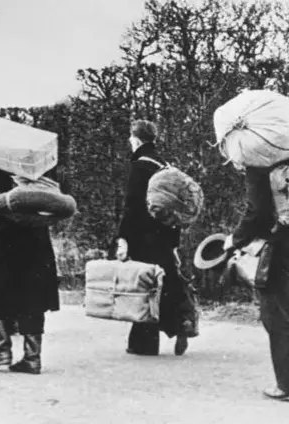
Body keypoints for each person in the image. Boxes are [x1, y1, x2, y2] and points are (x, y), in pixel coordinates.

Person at [226, 156, 289, 402]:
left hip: (278, 247)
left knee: (276, 314)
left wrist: (235, 239)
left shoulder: (259, 164)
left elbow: (257, 212)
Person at [115, 120, 195, 357]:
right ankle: (181, 322)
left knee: (145, 286)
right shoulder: (165, 165)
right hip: (165, 234)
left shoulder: (139, 166)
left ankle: (144, 343)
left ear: (136, 139)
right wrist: (173, 239)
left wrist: (123, 238)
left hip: (143, 236)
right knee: (167, 283)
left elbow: (131, 207)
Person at [0, 169, 60, 375]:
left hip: (5, 246)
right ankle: (32, 358)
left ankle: (3, 353)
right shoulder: (40, 179)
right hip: (38, 247)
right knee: (33, 299)